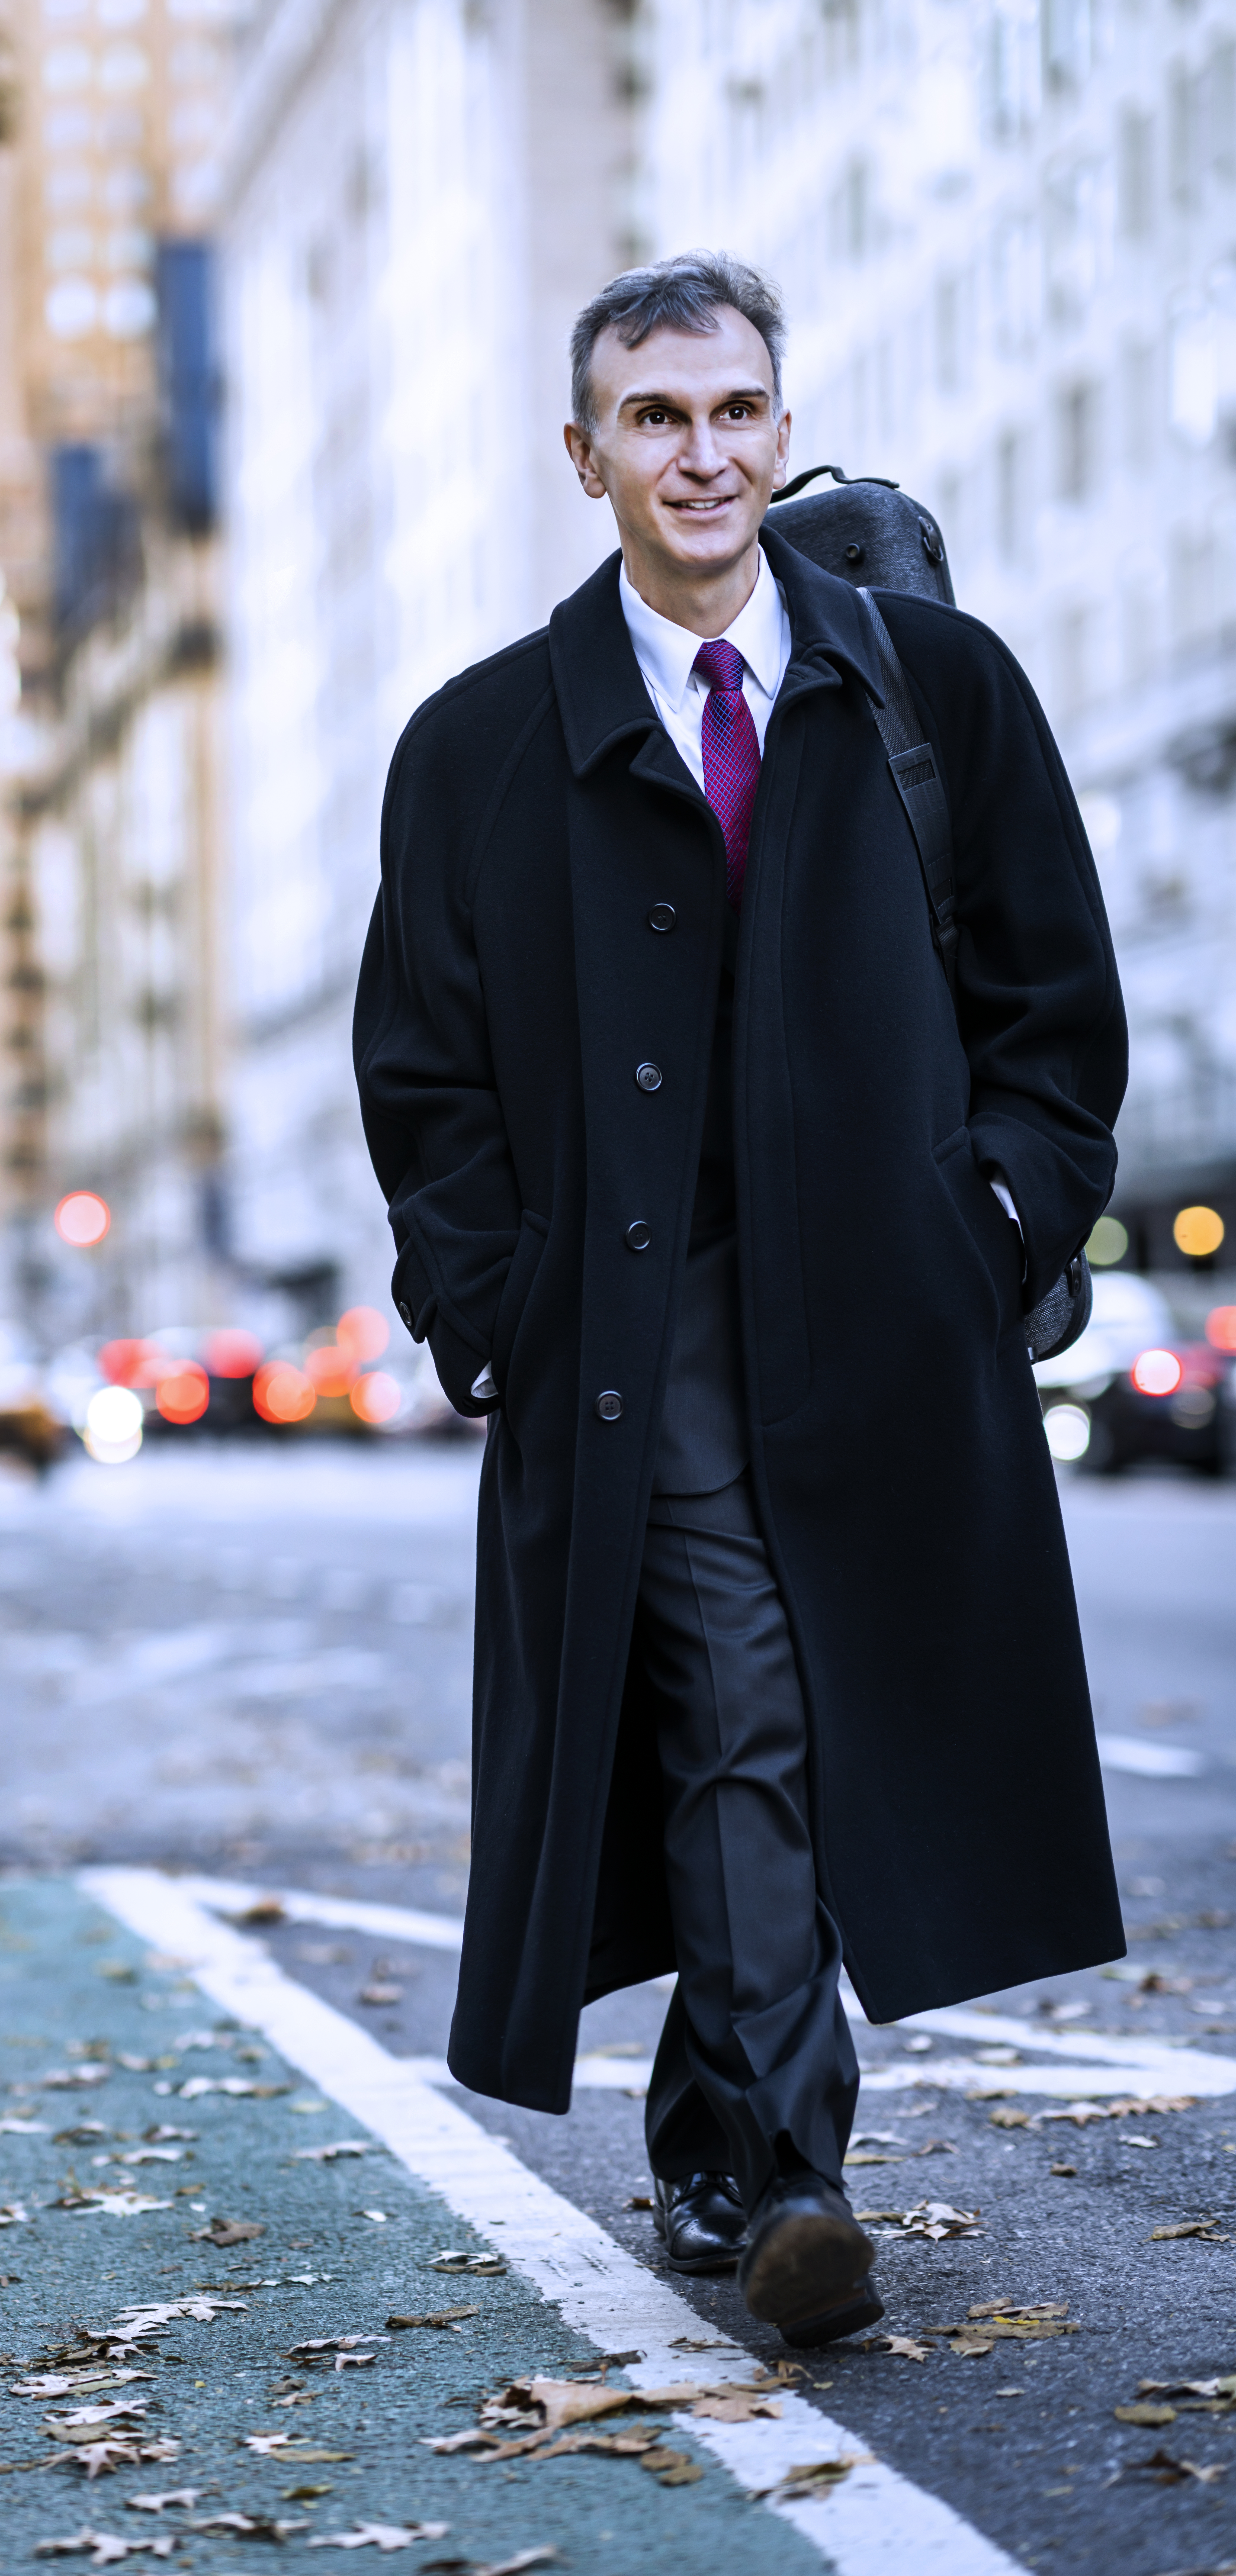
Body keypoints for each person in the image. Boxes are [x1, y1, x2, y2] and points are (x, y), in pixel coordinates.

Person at [352, 251, 1126, 2346]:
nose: (702, 455)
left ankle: (713, 2131)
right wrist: (497, 1303)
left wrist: (996, 1221)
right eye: (656, 418)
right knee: (746, 1707)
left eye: (735, 414)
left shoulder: (934, 691)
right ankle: (791, 2181)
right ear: (585, 451)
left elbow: (1057, 1006)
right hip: (636, 1332)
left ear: (782, 433)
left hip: (890, 1307)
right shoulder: (479, 747)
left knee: (804, 1715)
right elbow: (420, 1070)